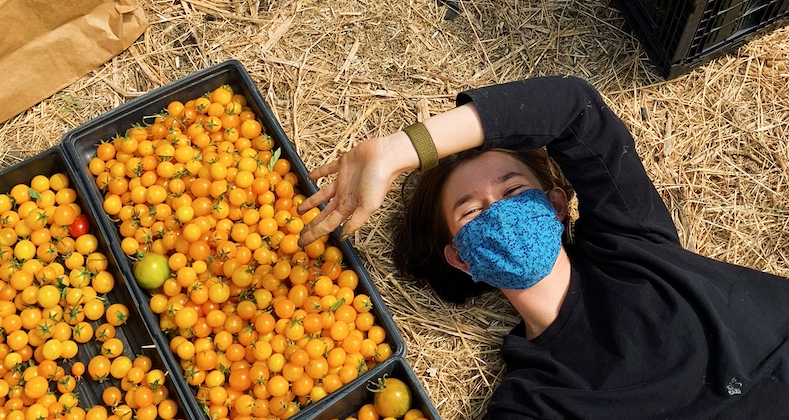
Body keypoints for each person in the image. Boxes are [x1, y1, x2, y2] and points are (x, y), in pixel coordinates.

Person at [297, 76, 789, 419]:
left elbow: (575, 108)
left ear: (556, 204)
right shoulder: (535, 400)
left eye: (514, 191)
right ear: (460, 257)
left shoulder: (631, 242)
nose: (498, 212)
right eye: (470, 212)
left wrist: (400, 150)